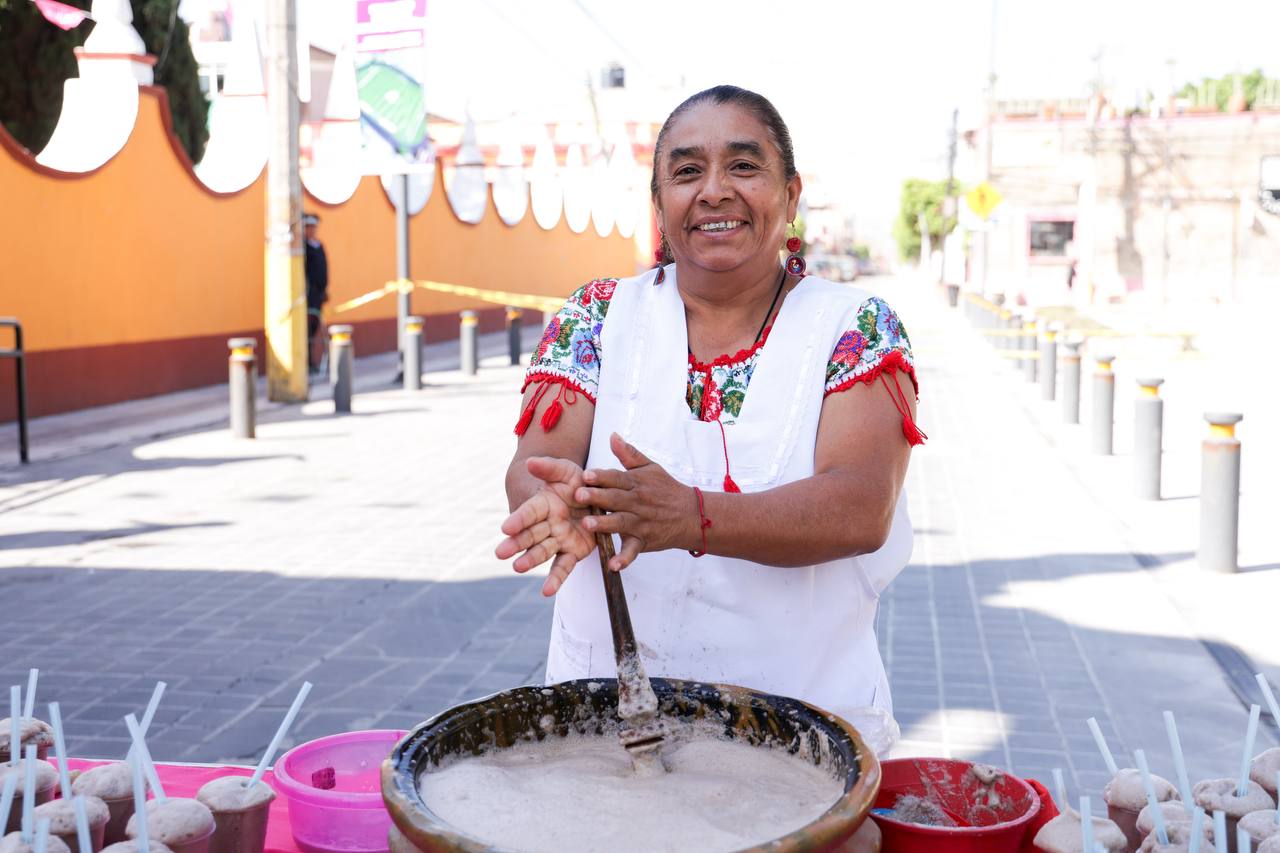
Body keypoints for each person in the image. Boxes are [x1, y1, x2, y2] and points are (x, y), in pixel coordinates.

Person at [495, 85, 925, 751]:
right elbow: (535, 465)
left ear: (791, 192)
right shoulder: (598, 316)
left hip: (804, 735)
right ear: (659, 203)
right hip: (611, 725)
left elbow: (860, 506)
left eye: (745, 167)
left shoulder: (856, 326)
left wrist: (691, 516)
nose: (714, 191)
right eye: (687, 171)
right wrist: (554, 503)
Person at [303, 213, 329, 374]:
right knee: (305, 330)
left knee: (314, 328)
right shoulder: (303, 248)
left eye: (313, 227)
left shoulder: (319, 246)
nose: (311, 230)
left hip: (318, 295)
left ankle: (311, 361)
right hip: (307, 295)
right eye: (308, 227)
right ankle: (306, 362)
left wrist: (324, 290)